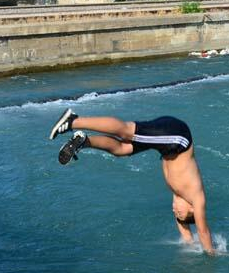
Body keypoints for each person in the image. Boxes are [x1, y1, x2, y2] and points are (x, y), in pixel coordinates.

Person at [49, 109, 215, 254]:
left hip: (167, 144)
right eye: (179, 213)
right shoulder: (197, 198)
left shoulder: (180, 197)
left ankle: (84, 141)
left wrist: (190, 245)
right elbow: (203, 231)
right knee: (126, 131)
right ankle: (74, 121)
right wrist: (211, 254)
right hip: (178, 138)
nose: (175, 211)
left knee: (122, 149)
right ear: (192, 208)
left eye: (176, 215)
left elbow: (187, 234)